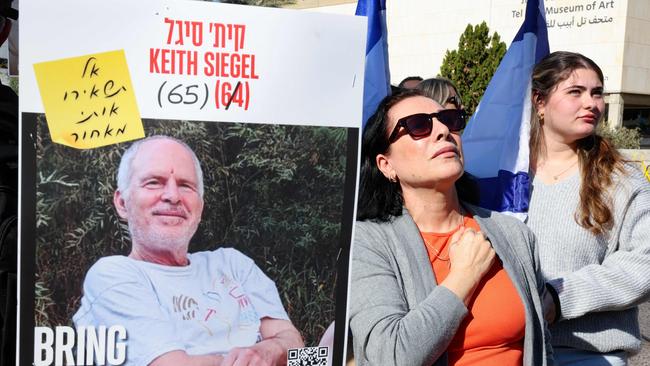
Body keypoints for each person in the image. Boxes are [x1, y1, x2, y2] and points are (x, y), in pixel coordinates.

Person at [349, 89, 552, 366]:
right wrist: (464, 277)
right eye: (418, 125)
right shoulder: (367, 241)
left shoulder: (512, 234)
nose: (443, 130)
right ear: (386, 165)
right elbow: (390, 355)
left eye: (450, 119)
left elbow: (542, 345)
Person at [73, 135, 303, 366]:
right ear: (122, 203)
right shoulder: (112, 275)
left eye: (185, 185)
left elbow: (294, 343)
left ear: (200, 207)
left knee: (336, 334)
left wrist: (269, 350)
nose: (173, 196)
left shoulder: (234, 264)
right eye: (153, 182)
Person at [527, 51, 650, 365]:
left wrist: (559, 297)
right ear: (539, 102)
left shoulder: (621, 179)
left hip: (588, 356)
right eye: (575, 92)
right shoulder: (506, 176)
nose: (591, 103)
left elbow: (644, 263)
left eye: (597, 93)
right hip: (508, 351)